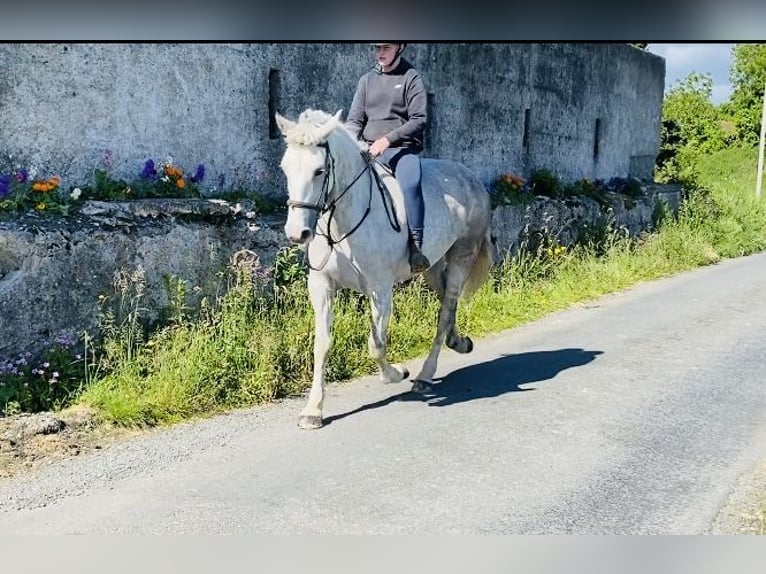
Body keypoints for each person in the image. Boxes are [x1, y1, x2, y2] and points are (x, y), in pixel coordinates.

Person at [345, 42, 431, 273]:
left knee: (411, 185)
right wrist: (349, 143)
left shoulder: (411, 77)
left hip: (400, 150)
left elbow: (419, 119)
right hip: (369, 149)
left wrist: (387, 140)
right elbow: (355, 121)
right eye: (377, 48)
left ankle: (415, 247)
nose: (381, 53)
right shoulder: (366, 80)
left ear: (400, 47)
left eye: (386, 47)